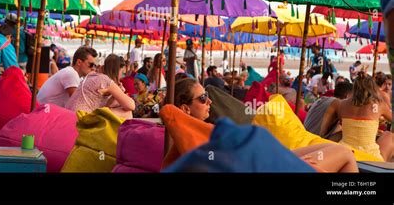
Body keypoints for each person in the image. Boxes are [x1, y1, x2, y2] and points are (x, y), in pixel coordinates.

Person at [171, 78, 358, 172]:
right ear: (186, 109)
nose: (210, 102)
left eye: (208, 96)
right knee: (345, 153)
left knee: (333, 148)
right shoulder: (188, 136)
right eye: (203, 98)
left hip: (263, 159)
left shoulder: (199, 129)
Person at [336, 72, 393, 161]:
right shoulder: (379, 105)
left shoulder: (342, 104)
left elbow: (343, 122)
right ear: (372, 88)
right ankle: (382, 166)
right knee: (389, 136)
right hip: (369, 156)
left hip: (346, 151)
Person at [65, 54, 135, 119]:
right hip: (81, 118)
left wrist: (116, 95)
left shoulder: (93, 75)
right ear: (118, 70)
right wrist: (121, 92)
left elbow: (105, 106)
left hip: (70, 115)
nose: (122, 76)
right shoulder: (106, 80)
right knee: (127, 113)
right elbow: (131, 106)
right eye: (122, 72)